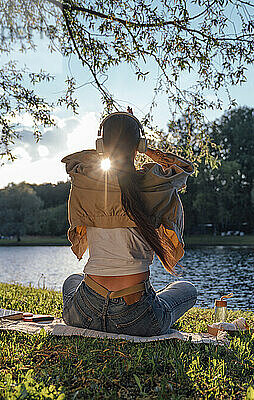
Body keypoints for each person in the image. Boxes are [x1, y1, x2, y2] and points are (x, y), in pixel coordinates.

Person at [60, 109, 197, 336]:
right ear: (139, 145)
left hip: (84, 311)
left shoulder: (86, 184)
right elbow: (184, 169)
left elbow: (73, 161)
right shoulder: (156, 187)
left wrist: (105, 147)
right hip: (137, 316)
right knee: (187, 289)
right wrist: (149, 150)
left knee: (72, 280)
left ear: (101, 145)